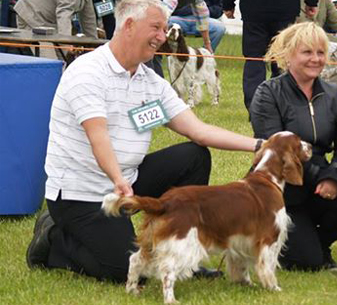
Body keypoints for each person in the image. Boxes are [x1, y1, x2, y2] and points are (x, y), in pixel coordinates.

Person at [25, 0, 262, 283]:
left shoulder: (150, 81)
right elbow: (97, 136)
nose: (163, 36)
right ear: (129, 26)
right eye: (156, 28)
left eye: (164, 28)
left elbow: (198, 130)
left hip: (128, 181)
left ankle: (182, 245)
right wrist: (117, 180)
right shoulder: (87, 72)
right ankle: (53, 238)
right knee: (129, 272)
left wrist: (260, 144)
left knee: (194, 155)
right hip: (81, 195)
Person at [250, 22, 337, 271]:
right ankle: (293, 245)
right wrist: (322, 178)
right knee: (307, 262)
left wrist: (335, 177)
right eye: (307, 52)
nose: (316, 59)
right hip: (282, 193)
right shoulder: (268, 93)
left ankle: (320, 244)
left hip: (318, 184)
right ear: (288, 55)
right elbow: (280, 152)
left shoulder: (334, 95)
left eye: (320, 53)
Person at [223, 0, 318, 113]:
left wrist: (228, 5)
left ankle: (255, 106)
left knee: (255, 59)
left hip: (254, 11)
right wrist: (311, 3)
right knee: (282, 60)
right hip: (284, 10)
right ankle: (282, 103)